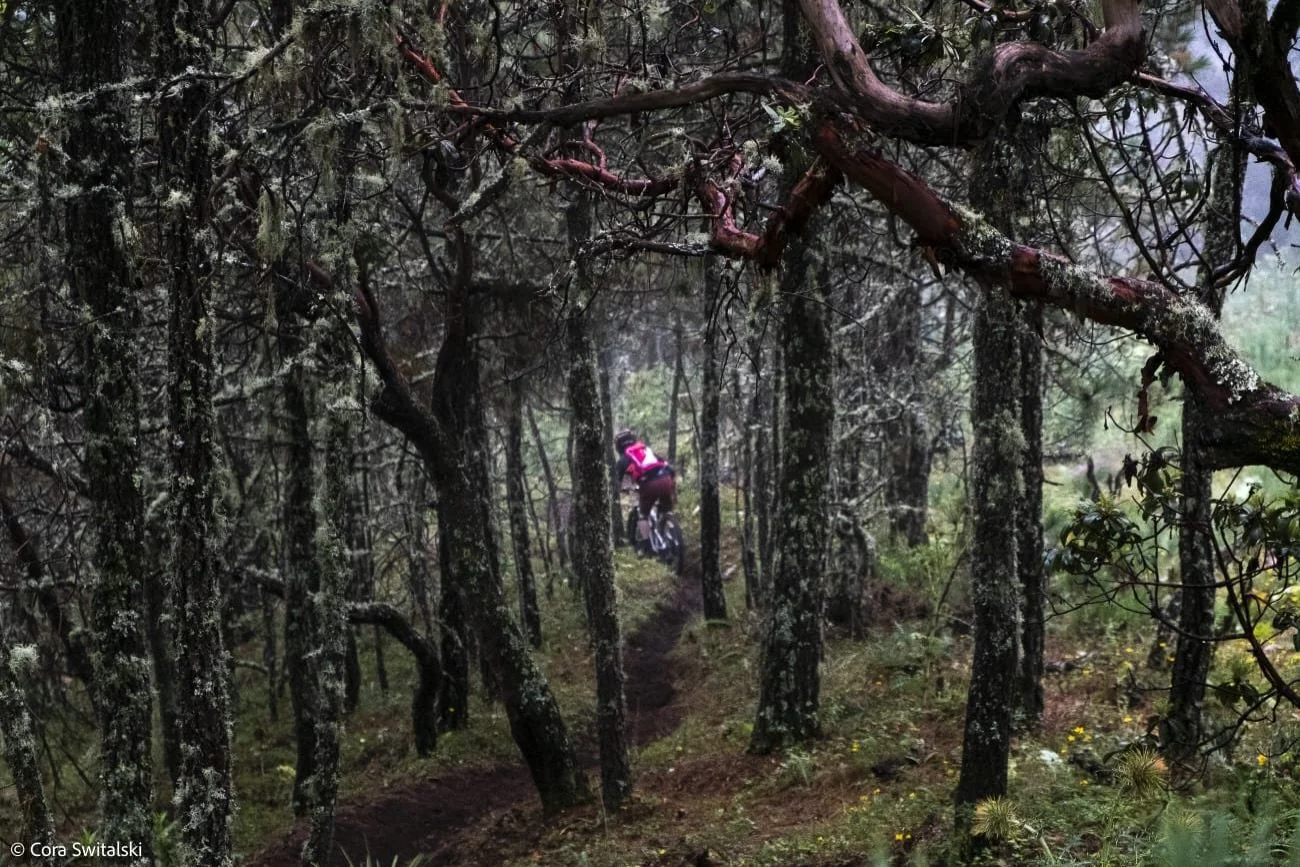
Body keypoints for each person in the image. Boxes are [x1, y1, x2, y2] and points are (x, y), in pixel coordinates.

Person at [614, 428, 676, 554]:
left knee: (643, 515)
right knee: (666, 509)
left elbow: (626, 483)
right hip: (666, 478)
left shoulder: (624, 460)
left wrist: (627, 490)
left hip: (649, 485)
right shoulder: (645, 450)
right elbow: (663, 464)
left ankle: (647, 544)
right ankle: (672, 531)